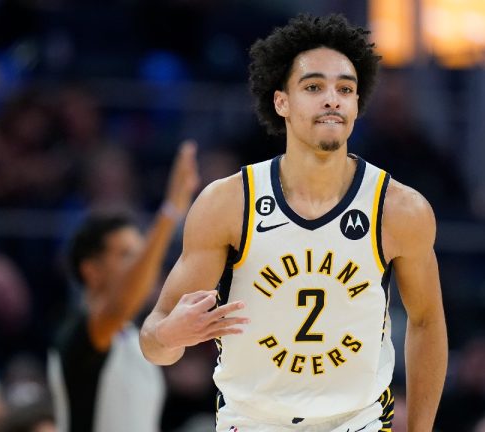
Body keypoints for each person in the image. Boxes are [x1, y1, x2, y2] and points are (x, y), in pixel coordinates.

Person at [139, 14, 448, 432]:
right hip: (251, 421)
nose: (332, 99)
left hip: (357, 422)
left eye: (345, 89)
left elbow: (427, 323)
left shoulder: (400, 209)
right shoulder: (229, 203)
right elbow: (153, 341)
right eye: (314, 87)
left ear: (357, 104)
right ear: (281, 101)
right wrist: (170, 336)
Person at [47, 142, 199, 432]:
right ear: (91, 271)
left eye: (141, 254)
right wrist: (169, 213)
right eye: (127, 255)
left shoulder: (134, 335)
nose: (143, 265)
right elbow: (117, 307)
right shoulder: (79, 329)